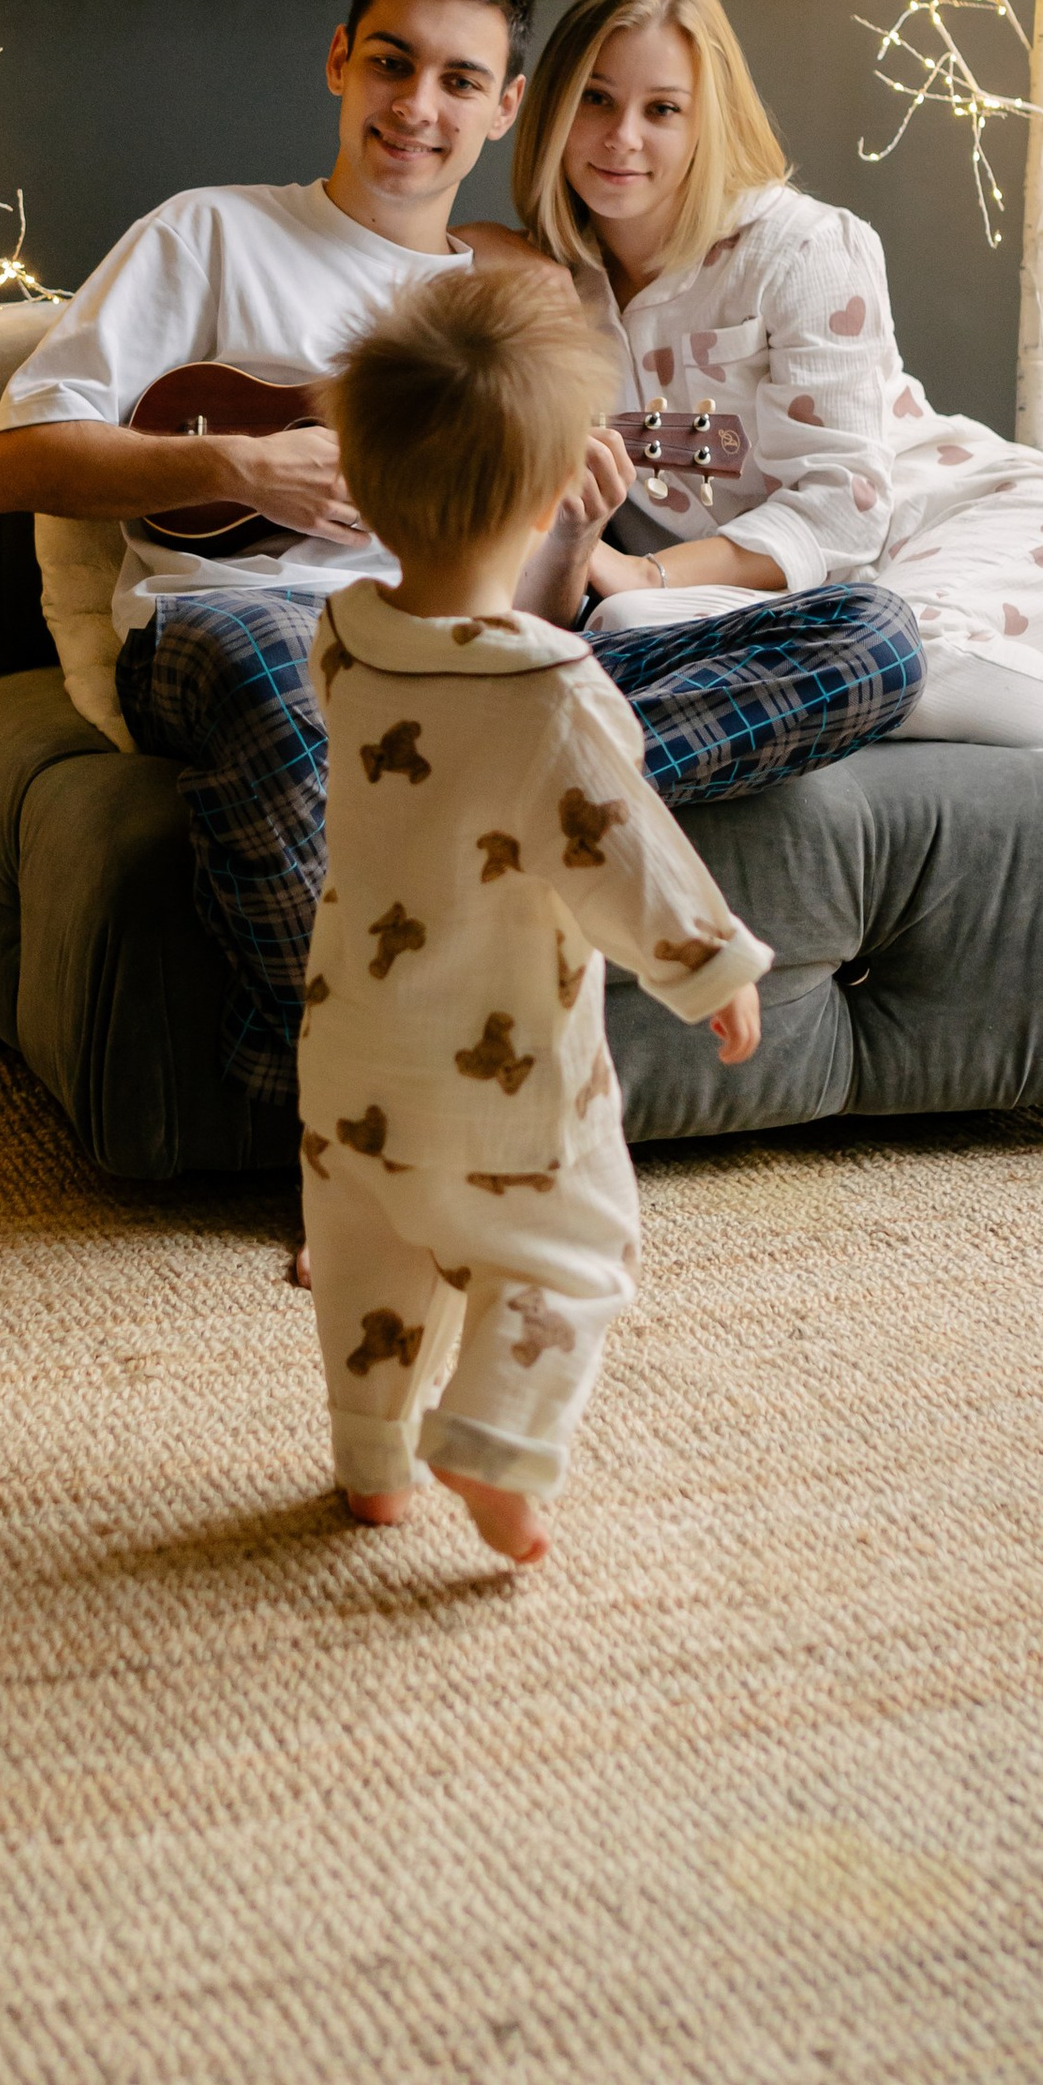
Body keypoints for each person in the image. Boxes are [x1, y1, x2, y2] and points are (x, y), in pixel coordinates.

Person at [0, 0, 921, 1103]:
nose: (418, 105)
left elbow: (525, 613)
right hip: (238, 635)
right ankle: (347, 1097)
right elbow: (11, 465)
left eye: (459, 79)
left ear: (506, 106)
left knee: (871, 639)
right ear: (338, 62)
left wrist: (575, 534)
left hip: (453, 678)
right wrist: (241, 472)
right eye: (391, 62)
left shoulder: (511, 311)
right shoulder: (207, 232)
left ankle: (491, 794)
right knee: (280, 663)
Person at [510, 0, 1043, 964]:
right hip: (796, 607)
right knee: (630, 628)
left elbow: (844, 516)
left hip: (978, 539)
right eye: (594, 99)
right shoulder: (544, 281)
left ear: (705, 119)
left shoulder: (801, 249)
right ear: (546, 108)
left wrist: (648, 571)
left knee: (874, 637)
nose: (622, 137)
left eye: (660, 109)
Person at [299, 263, 770, 1567]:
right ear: (566, 482)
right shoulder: (554, 690)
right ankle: (492, 1447)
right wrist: (708, 965)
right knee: (568, 1255)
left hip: (352, 1062)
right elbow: (619, 850)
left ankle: (370, 1462)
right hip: (503, 1076)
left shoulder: (341, 638)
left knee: (370, 1263)